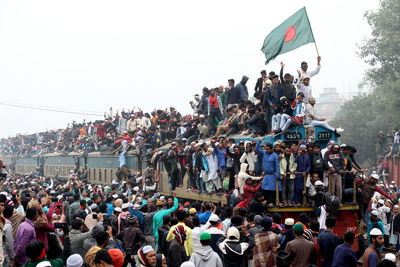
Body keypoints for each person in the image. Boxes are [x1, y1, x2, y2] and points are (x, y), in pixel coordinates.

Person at [256, 139, 280, 207]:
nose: (267, 151)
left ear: (271, 149)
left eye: (268, 149)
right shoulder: (264, 153)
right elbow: (257, 149)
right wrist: (259, 142)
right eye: (266, 149)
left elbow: (277, 166)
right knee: (264, 189)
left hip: (272, 175)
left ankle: (271, 202)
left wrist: (278, 175)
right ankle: (266, 202)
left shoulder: (275, 155)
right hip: (266, 175)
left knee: (272, 190)